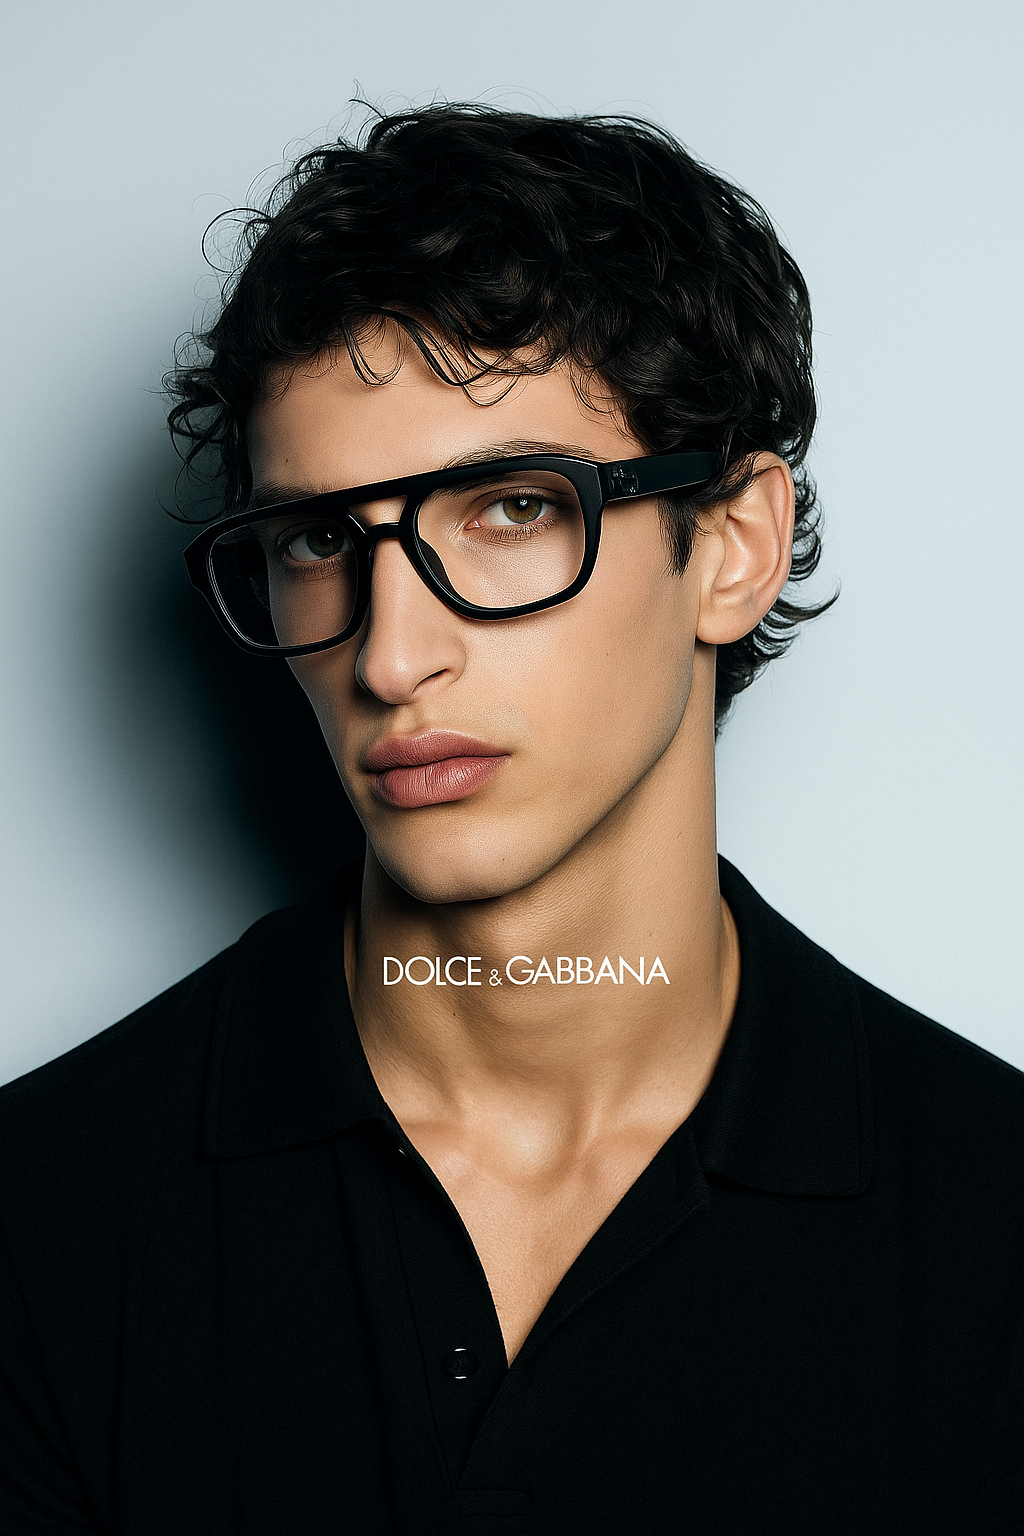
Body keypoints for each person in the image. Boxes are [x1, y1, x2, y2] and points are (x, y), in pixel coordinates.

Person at [1, 104, 1021, 1535]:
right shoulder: (44, 1216)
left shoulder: (992, 1225)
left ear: (731, 548)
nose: (390, 655)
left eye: (512, 508)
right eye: (320, 539)